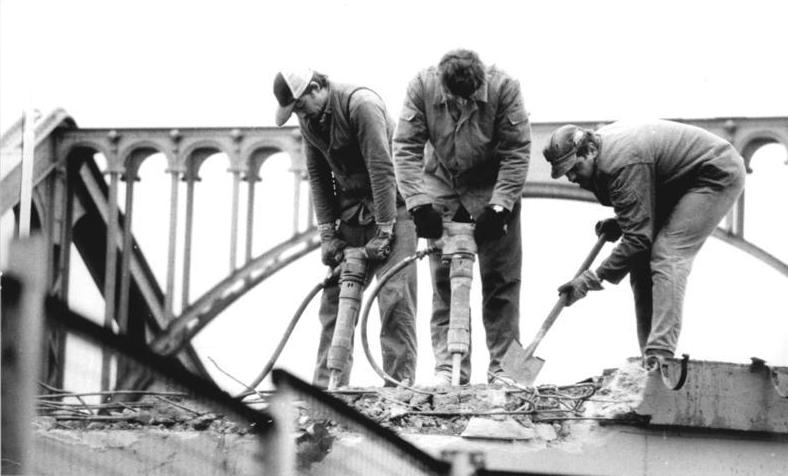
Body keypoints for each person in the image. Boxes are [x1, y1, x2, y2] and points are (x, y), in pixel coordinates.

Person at [543, 119, 746, 370]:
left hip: (713, 173)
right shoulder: (603, 157)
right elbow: (639, 207)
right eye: (566, 172)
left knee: (667, 254)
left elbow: (638, 238)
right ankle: (648, 361)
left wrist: (589, 280)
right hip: (674, 184)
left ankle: (660, 355)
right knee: (640, 264)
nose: (571, 177)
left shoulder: (622, 161)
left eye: (575, 167)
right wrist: (624, 221)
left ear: (591, 151)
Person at [393, 49, 531, 385]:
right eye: (456, 100)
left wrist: (500, 205)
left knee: (502, 285)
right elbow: (406, 148)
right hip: (442, 190)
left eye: (469, 99)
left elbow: (517, 152)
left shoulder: (506, 88)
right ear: (444, 87)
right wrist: (418, 203)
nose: (462, 106)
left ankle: (506, 371)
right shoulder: (421, 87)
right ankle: (448, 369)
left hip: (492, 191)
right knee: (445, 286)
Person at [273, 68, 418, 388]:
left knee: (394, 298)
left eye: (299, 106)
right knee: (336, 298)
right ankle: (327, 389)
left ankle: (400, 387)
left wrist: (385, 230)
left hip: (393, 209)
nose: (300, 114)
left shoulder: (360, 105)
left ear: (315, 89)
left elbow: (382, 169)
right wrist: (327, 233)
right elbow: (318, 175)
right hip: (352, 215)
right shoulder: (309, 118)